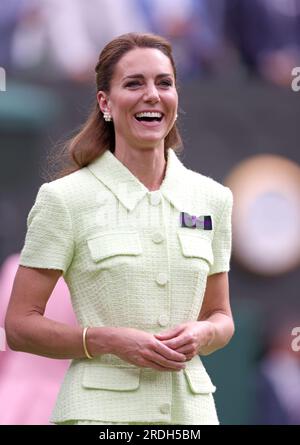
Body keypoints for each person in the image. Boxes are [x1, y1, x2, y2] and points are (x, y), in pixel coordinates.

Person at [5, 32, 234, 425]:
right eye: (134, 83)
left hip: (191, 416)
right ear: (105, 103)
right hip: (100, 417)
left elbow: (221, 316)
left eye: (164, 83)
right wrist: (104, 340)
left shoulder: (213, 198)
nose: (152, 94)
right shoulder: (65, 199)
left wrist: (204, 335)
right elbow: (19, 326)